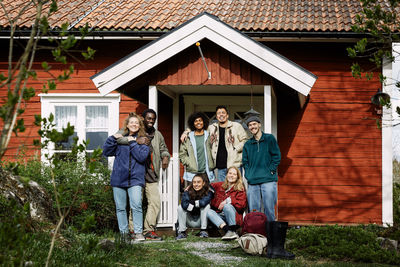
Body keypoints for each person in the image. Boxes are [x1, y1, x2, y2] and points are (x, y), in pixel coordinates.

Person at [116, 109, 170, 241]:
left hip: (151, 173)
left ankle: (148, 230)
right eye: (148, 118)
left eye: (153, 119)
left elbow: (163, 148)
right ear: (143, 119)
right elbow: (117, 139)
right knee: (136, 203)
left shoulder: (157, 135)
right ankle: (133, 229)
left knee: (155, 202)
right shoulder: (133, 132)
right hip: (136, 173)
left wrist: (165, 156)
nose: (151, 121)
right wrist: (134, 139)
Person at [103, 112, 150, 242]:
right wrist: (112, 138)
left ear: (140, 125)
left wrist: (132, 142)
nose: (134, 124)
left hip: (135, 179)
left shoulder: (144, 141)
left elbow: (141, 157)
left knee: (136, 206)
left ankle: (138, 233)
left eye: (136, 123)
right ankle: (124, 234)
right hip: (118, 179)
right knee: (120, 208)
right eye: (131, 122)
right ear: (127, 125)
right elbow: (106, 152)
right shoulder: (119, 141)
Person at [181, 106, 248, 182]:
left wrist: (236, 148)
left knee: (236, 188)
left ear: (227, 115)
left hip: (234, 164)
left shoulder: (236, 126)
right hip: (220, 166)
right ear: (216, 116)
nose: (221, 115)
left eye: (223, 113)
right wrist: (186, 131)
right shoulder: (212, 127)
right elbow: (198, 127)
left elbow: (245, 140)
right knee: (222, 189)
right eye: (219, 113)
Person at [242, 115, 280, 222]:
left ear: (259, 124)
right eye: (250, 125)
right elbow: (245, 162)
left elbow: (276, 156)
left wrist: (271, 170)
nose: (252, 126)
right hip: (253, 181)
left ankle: (271, 234)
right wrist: (249, 175)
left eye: (254, 124)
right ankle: (257, 235)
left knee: (269, 210)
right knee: (254, 211)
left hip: (268, 180)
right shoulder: (248, 144)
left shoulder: (269, 138)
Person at [207, 166, 247, 240]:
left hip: (234, 217)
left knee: (227, 206)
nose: (231, 175)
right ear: (227, 174)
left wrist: (228, 200)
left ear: (238, 177)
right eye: (230, 173)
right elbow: (205, 185)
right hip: (221, 216)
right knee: (209, 212)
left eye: (234, 174)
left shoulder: (240, 188)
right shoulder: (220, 185)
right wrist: (190, 186)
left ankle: (233, 229)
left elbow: (242, 205)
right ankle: (227, 230)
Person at [179, 112, 215, 187]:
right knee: (192, 194)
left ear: (203, 122)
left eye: (200, 120)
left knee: (207, 195)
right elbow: (182, 154)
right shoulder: (188, 137)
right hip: (193, 172)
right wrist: (188, 163)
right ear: (193, 123)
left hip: (206, 171)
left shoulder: (208, 135)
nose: (198, 122)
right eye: (196, 121)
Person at [176, 173, 214, 240]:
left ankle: (203, 231)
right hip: (190, 220)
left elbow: (203, 202)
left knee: (206, 206)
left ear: (203, 183)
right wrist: (196, 205)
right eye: (194, 182)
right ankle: (182, 232)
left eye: (199, 182)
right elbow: (184, 205)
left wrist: (191, 204)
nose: (196, 184)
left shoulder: (208, 191)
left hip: (201, 220)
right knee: (180, 208)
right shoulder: (187, 191)